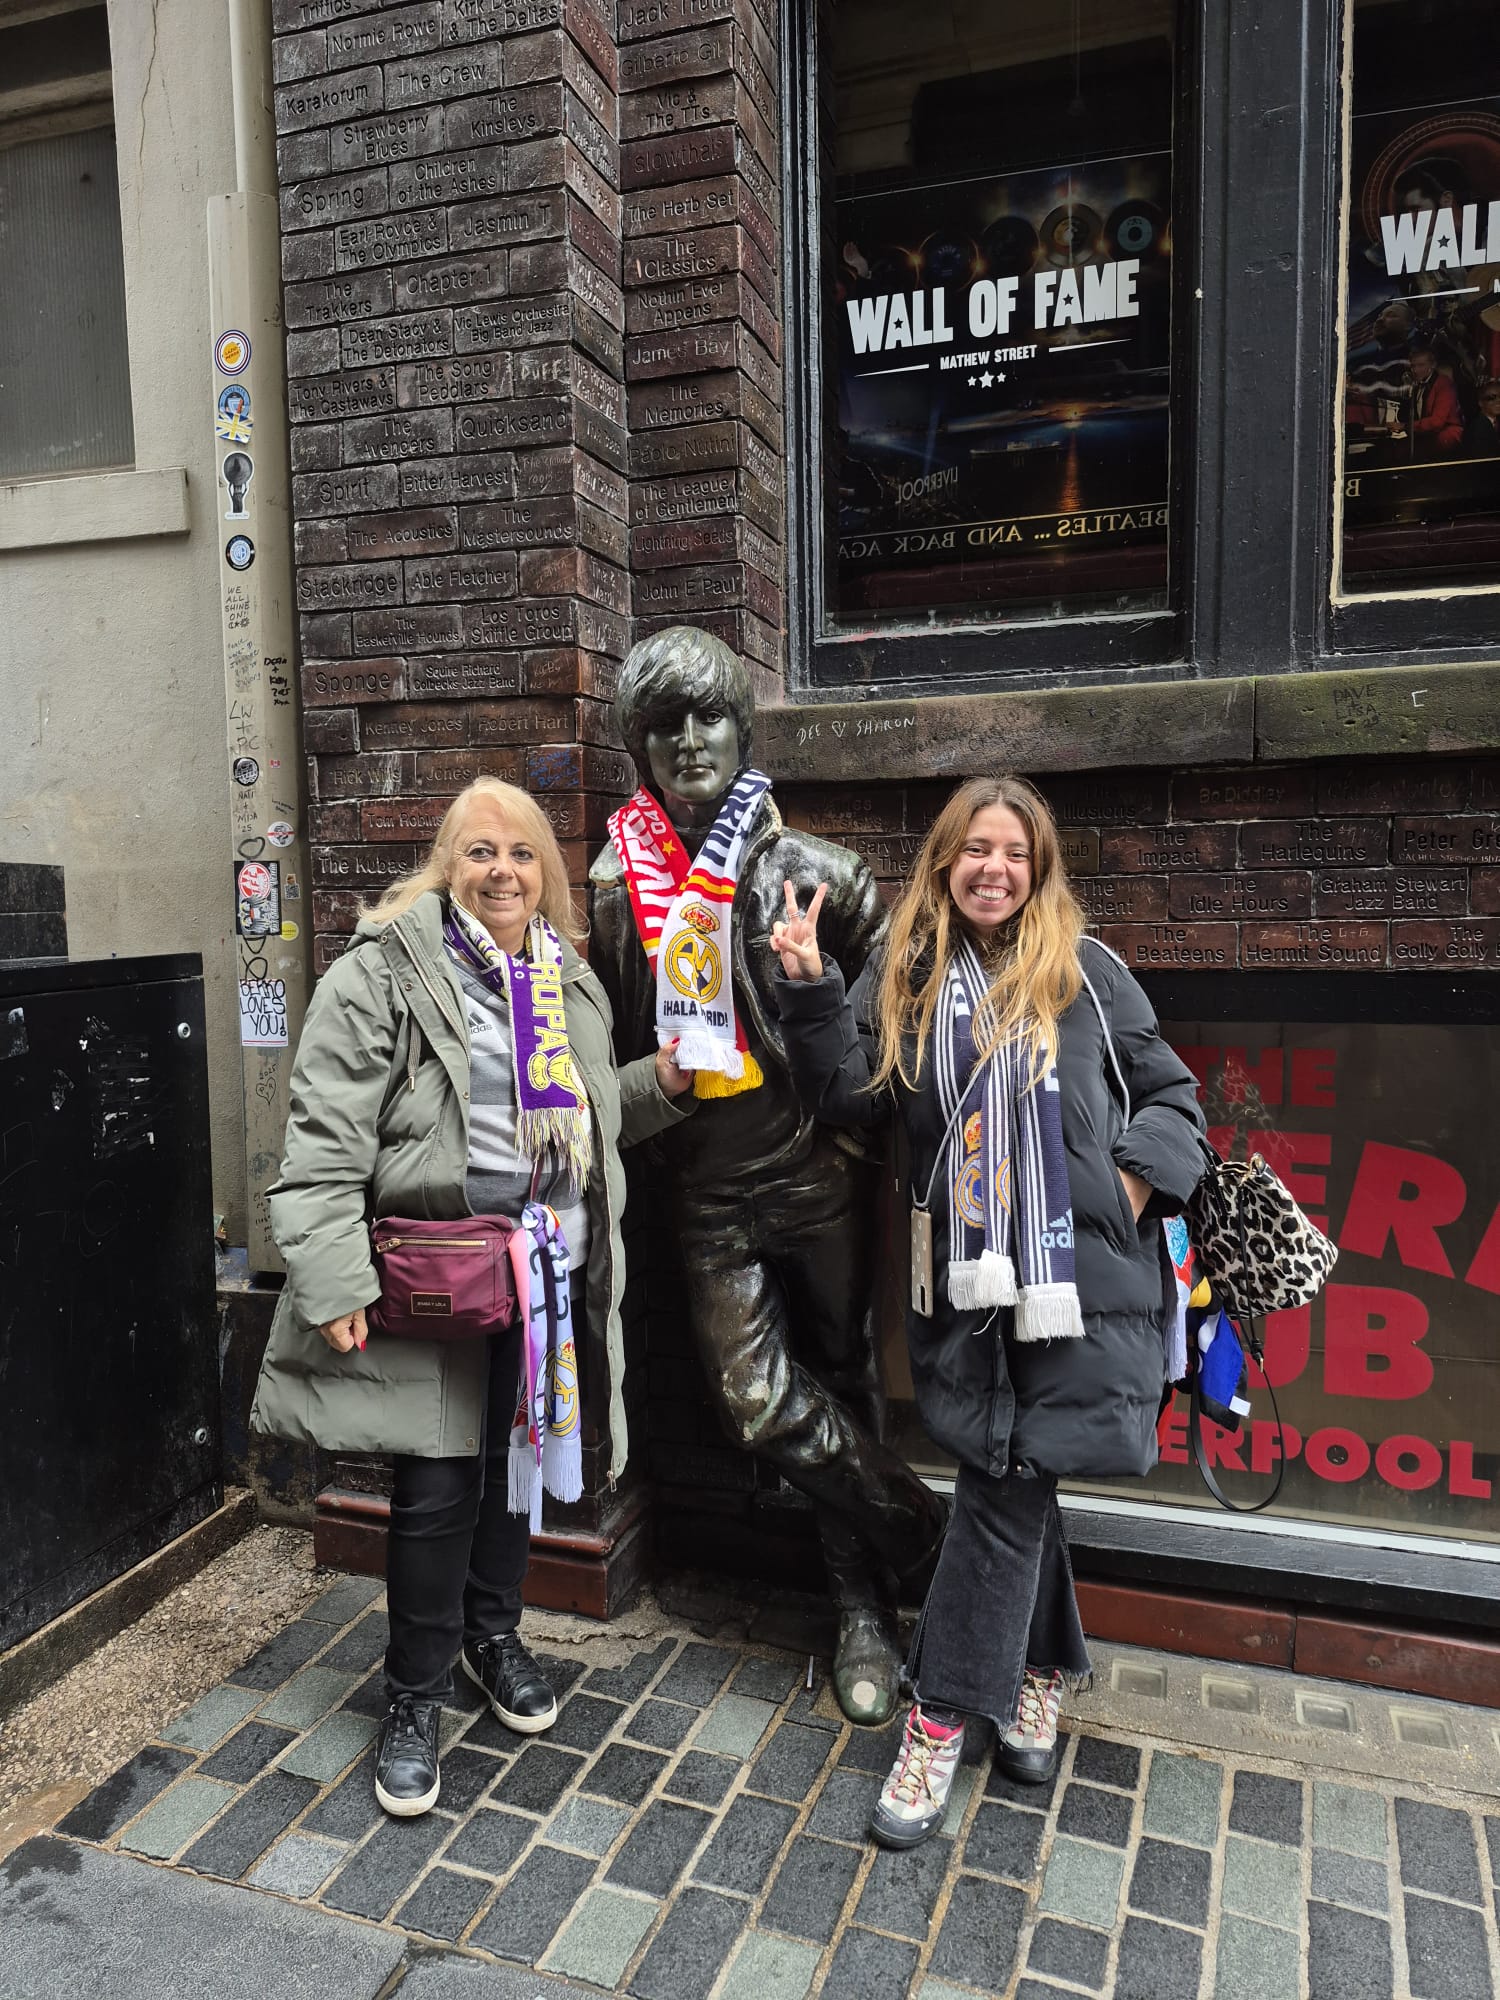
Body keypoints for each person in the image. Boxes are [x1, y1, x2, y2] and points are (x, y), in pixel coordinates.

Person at [770, 775, 1206, 1848]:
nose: (993, 868)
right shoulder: (910, 977)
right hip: (966, 1286)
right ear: (944, 863)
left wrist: (1126, 1188)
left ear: (1038, 868)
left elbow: (1174, 1098)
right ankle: (1044, 1671)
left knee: (1003, 1487)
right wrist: (810, 989)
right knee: (1013, 1471)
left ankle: (937, 1716)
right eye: (975, 849)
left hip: (1077, 1285)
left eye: (1014, 851)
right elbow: (850, 1096)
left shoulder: (1089, 973)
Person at [251, 778, 694, 1816]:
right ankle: (414, 1692)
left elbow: (588, 1117)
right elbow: (322, 1141)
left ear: (546, 873)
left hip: (542, 1278)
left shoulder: (564, 979)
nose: (503, 871)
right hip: (436, 1278)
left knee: (513, 1470)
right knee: (438, 1486)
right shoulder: (383, 975)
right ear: (446, 864)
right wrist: (333, 1277)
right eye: (481, 850)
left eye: (523, 853)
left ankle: (492, 1637)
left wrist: (662, 1084)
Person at [589, 626, 948, 1726]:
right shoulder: (613, 887)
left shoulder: (820, 872)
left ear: (743, 730)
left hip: (818, 1175)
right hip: (704, 1191)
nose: (689, 741)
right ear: (640, 747)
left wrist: (837, 1048)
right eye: (663, 725)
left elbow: (896, 1019)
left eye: (708, 717)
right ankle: (934, 1540)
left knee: (841, 1375)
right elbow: (605, 1037)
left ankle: (860, 1610)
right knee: (755, 1402)